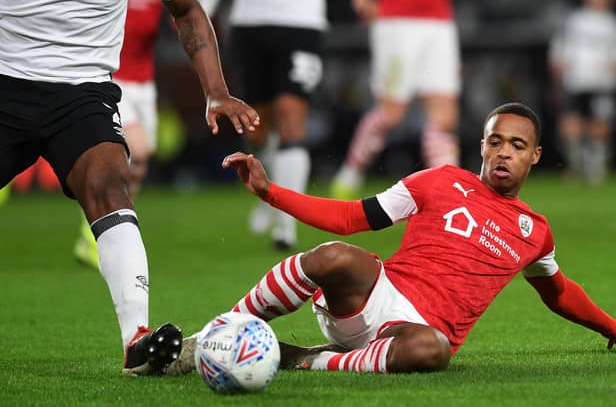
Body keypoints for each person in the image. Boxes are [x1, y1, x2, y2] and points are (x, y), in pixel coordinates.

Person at [165, 103, 615, 376]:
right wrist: (270, 192)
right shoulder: (439, 180)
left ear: (535, 156)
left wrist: (611, 327)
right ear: (481, 146)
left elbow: (558, 293)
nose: (504, 153)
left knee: (432, 351)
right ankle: (211, 336)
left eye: (517, 146)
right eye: (495, 141)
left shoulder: (534, 232)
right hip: (374, 295)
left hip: (412, 335)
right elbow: (350, 217)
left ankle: (305, 359)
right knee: (335, 256)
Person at [0, 0, 259, 376]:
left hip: (81, 97)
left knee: (111, 186)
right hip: (6, 82)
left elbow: (188, 10)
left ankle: (137, 342)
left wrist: (215, 90)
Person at [197, 0, 376, 251]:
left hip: (303, 22)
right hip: (251, 22)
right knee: (257, 128)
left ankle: (285, 226)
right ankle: (267, 189)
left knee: (293, 121)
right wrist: (200, 11)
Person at [73, 0, 188, 269]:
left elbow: (180, 10)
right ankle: (94, 233)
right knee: (134, 148)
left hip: (143, 76)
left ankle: (101, 229)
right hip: (108, 70)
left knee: (142, 154)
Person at [330, 0, 471, 199]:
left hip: (438, 19)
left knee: (444, 113)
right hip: (396, 21)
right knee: (391, 113)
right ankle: (350, 173)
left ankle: (445, 195)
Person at [549, 0, 616, 185]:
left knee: (600, 122)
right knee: (571, 122)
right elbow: (559, 45)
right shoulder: (574, 20)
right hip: (576, 80)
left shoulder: (611, 23)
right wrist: (557, 63)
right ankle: (575, 164)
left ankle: (596, 166)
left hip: (602, 82)